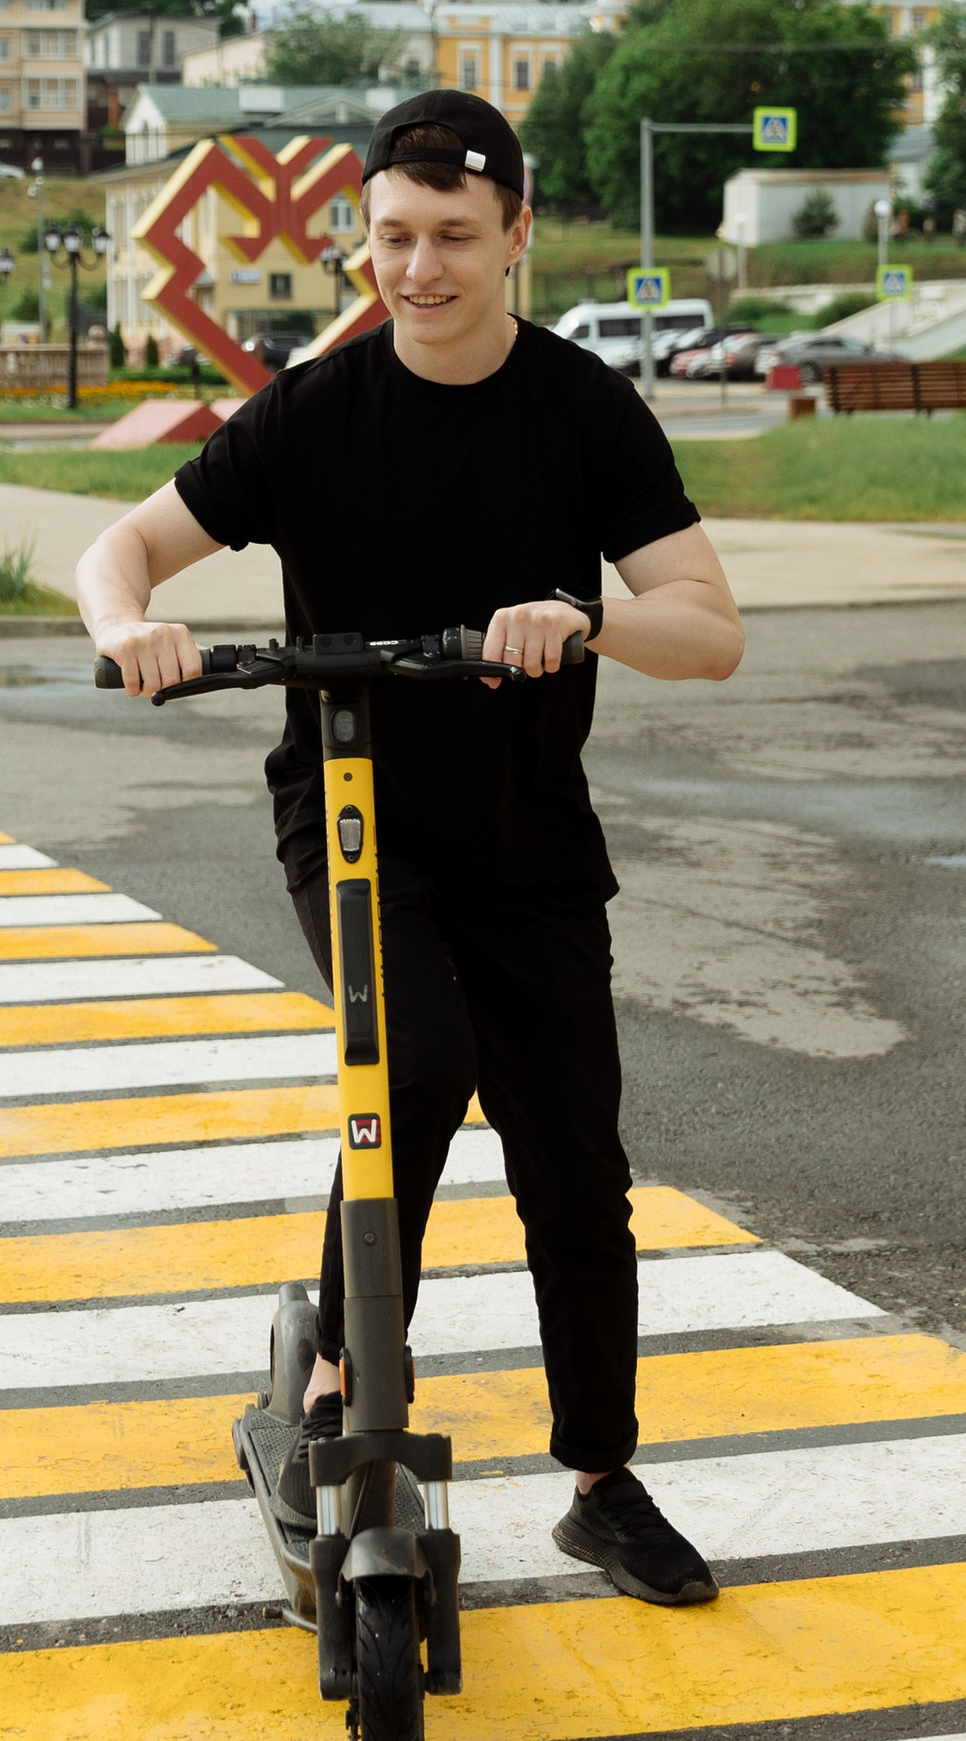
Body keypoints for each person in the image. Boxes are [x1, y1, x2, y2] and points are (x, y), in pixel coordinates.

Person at [77, 86, 745, 1608]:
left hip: (528, 834)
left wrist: (589, 620)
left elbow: (712, 633)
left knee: (578, 1165)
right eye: (393, 238)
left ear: (517, 234)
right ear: (360, 241)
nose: (421, 269)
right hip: (356, 811)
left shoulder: (581, 412)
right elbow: (116, 550)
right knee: (420, 1060)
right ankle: (335, 1393)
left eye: (454, 236)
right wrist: (134, 629)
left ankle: (600, 1481)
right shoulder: (318, 414)